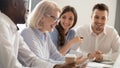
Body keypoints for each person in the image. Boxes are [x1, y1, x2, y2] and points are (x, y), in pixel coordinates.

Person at [0, 0, 78, 68]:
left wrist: (57, 66)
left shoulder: (14, 30)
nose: (27, 9)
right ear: (15, 3)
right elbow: (10, 66)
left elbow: (32, 60)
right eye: (25, 4)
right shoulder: (2, 25)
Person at [21, 0, 88, 67]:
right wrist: (67, 64)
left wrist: (73, 62)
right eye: (55, 18)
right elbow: (38, 62)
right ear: (42, 17)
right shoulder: (27, 33)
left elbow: (56, 56)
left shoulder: (46, 34)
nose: (57, 23)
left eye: (58, 19)